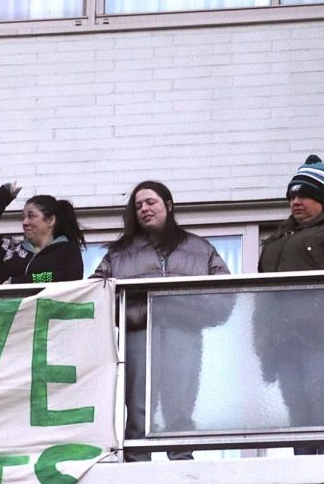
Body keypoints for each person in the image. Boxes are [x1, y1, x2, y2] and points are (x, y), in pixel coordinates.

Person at [92, 180, 233, 461]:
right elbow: (96, 297)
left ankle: (181, 462)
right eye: (138, 205)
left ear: (168, 205)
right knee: (138, 404)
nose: (144, 208)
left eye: (150, 202)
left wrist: (179, 310)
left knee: (180, 404)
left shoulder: (199, 248)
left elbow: (225, 297)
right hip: (138, 335)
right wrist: (144, 311)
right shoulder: (119, 253)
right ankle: (136, 466)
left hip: (184, 334)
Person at [254, 155, 324, 455]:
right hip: (284, 342)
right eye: (292, 195)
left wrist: (315, 311)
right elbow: (261, 298)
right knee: (296, 405)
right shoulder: (275, 241)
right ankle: (303, 463)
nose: (295, 201)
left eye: (303, 194)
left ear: (320, 199)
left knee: (321, 395)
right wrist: (263, 344)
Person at [0, 182, 85, 284]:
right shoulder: (8, 249)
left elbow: (69, 278)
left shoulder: (67, 250)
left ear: (50, 220)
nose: (25, 222)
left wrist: (16, 282)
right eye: (23, 217)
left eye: (31, 216)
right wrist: (3, 196)